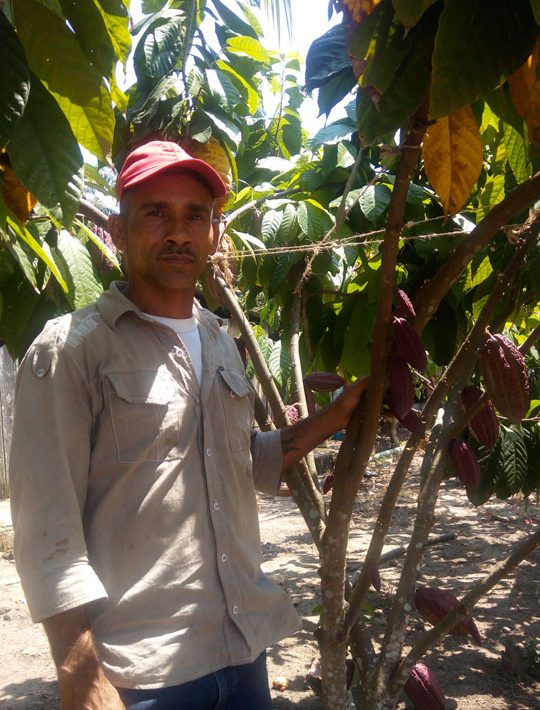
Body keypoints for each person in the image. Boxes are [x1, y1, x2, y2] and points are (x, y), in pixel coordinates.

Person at [9, 140, 367, 709]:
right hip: (140, 670)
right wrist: (81, 673)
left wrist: (335, 417)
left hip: (242, 649)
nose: (178, 232)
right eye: (156, 213)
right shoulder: (72, 350)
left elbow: (241, 462)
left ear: (214, 234)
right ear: (117, 230)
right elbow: (45, 527)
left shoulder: (220, 341)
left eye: (195, 215)